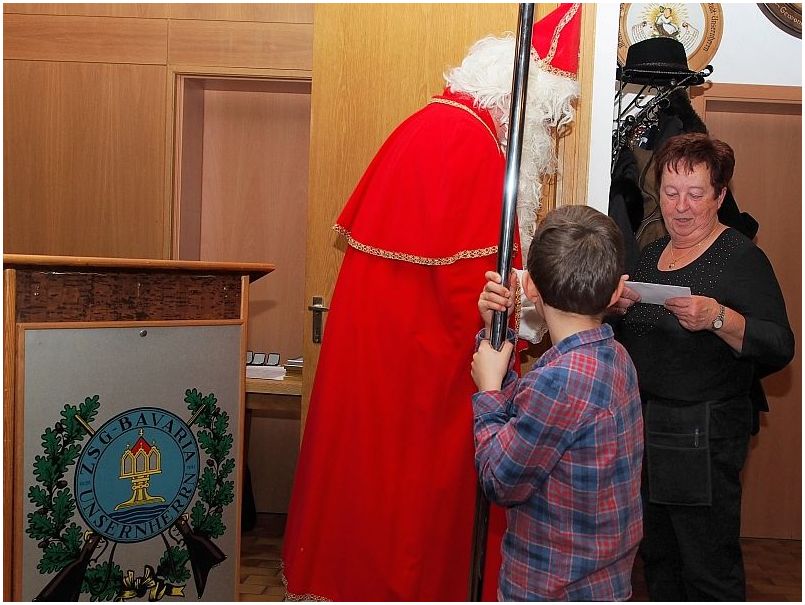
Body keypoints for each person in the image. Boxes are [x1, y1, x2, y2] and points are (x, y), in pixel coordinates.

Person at [281, 4, 583, 601]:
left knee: (366, 494)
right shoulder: (474, 147)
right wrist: (525, 314)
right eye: (546, 124)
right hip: (424, 378)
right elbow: (476, 301)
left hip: (382, 363)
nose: (543, 142)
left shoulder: (430, 124)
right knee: (415, 519)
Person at [611, 133, 795, 601]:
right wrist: (617, 310)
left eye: (695, 194)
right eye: (670, 193)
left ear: (720, 196)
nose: (681, 207)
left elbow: (780, 345)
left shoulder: (741, 258)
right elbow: (638, 339)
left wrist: (718, 317)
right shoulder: (651, 255)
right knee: (658, 558)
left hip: (705, 435)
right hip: (648, 429)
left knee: (707, 564)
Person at [472, 204, 644, 601]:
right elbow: (533, 427)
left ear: (530, 286)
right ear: (617, 290)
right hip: (604, 582)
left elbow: (499, 479)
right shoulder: (615, 357)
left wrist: (488, 392)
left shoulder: (560, 381)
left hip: (555, 587)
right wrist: (496, 332)